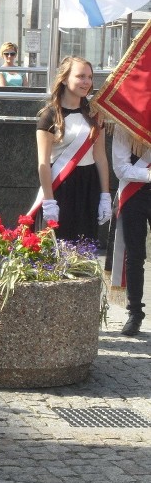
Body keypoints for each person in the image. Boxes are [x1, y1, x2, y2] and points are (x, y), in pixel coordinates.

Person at [35, 56, 110, 242]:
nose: (86, 82)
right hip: (61, 186)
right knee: (60, 247)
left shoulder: (94, 114)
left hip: (88, 185)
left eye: (90, 77)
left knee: (85, 247)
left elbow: (100, 158)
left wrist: (105, 195)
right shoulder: (49, 115)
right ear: (64, 78)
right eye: (80, 76)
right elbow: (43, 163)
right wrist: (49, 201)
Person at [111, 125, 150, 336]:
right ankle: (135, 313)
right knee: (135, 256)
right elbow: (121, 169)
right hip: (134, 195)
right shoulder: (124, 121)